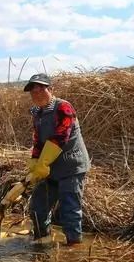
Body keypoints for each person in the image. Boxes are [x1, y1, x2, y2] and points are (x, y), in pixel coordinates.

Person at [23, 73, 90, 246]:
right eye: (33, 91)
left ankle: (73, 248)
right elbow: (38, 140)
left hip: (71, 166)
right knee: (38, 205)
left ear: (51, 89)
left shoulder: (64, 108)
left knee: (70, 209)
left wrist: (43, 162)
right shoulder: (38, 114)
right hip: (51, 168)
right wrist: (34, 161)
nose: (37, 94)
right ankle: (41, 240)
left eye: (41, 89)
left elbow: (61, 136)